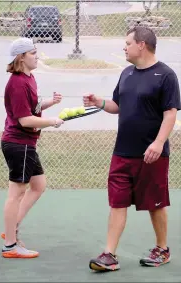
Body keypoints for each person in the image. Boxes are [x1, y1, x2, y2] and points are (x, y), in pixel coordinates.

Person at [83, 26, 181, 270]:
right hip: (122, 152)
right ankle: (109, 255)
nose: (124, 47)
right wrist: (99, 102)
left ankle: (162, 249)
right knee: (117, 202)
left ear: (142, 45)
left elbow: (170, 114)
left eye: (127, 43)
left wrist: (158, 143)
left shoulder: (166, 75)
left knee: (154, 204)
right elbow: (118, 104)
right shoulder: (126, 73)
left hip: (152, 155)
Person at [1, 37, 64, 258]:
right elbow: (25, 120)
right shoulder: (17, 83)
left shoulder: (30, 78)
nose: (37, 56)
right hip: (19, 144)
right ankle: (10, 246)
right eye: (33, 53)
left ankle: (12, 227)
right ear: (21, 57)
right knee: (16, 193)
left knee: (38, 185)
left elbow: (32, 107)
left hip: (26, 144)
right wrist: (52, 121)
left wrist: (50, 103)